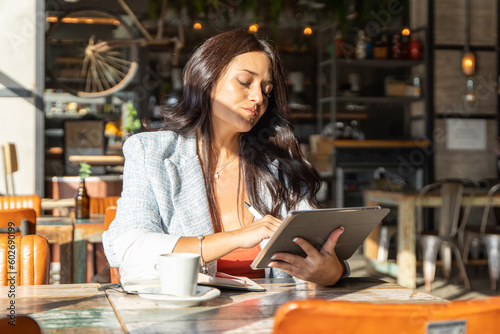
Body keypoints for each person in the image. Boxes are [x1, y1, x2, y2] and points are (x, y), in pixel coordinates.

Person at [102, 29, 349, 286]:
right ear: (206, 79)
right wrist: (237, 237)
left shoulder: (282, 166)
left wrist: (331, 272)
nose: (258, 98)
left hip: (272, 319)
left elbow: (323, 251)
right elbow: (129, 249)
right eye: (244, 82)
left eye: (266, 90)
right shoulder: (150, 153)